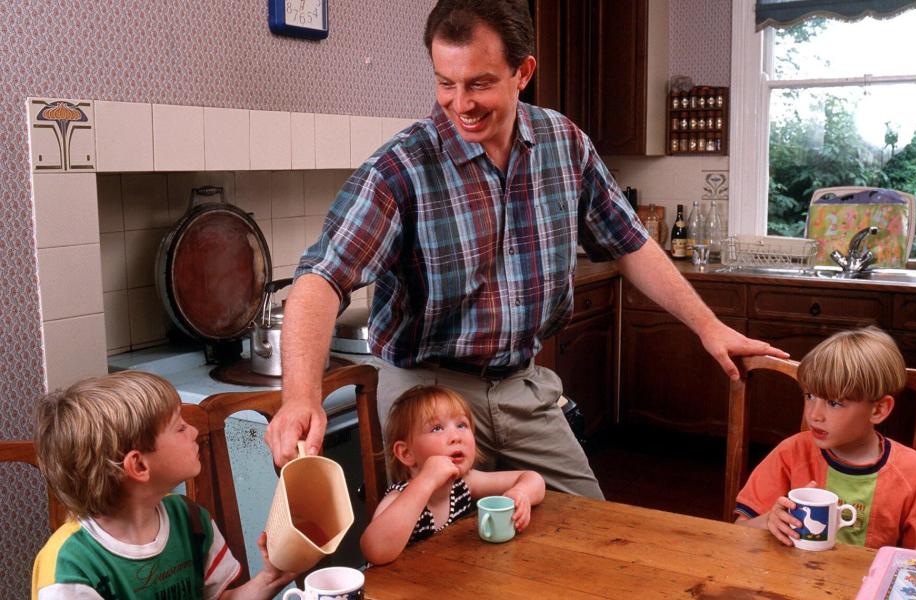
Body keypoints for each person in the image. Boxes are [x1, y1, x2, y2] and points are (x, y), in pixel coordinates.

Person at [265, 0, 787, 497]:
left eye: (480, 83)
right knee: (441, 554)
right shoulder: (400, 167)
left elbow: (631, 244)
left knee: (590, 539)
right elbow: (320, 279)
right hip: (427, 394)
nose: (460, 103)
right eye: (446, 83)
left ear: (523, 72)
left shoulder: (564, 143)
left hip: (522, 385)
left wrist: (708, 325)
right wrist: (300, 398)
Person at [31, 371, 297, 599]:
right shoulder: (69, 566)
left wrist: (270, 578)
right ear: (139, 466)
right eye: (180, 428)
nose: (193, 431)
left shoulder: (190, 519)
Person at [735, 326, 916, 552]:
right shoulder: (790, 453)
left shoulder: (913, 471)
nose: (814, 414)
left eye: (834, 402)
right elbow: (738, 530)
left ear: (878, 410)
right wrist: (769, 522)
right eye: (810, 396)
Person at [360, 385, 545, 564]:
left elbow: (533, 479)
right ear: (406, 453)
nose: (456, 436)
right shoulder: (399, 498)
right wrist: (427, 480)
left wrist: (521, 494)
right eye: (437, 428)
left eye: (462, 425)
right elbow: (374, 551)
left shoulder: (464, 483)